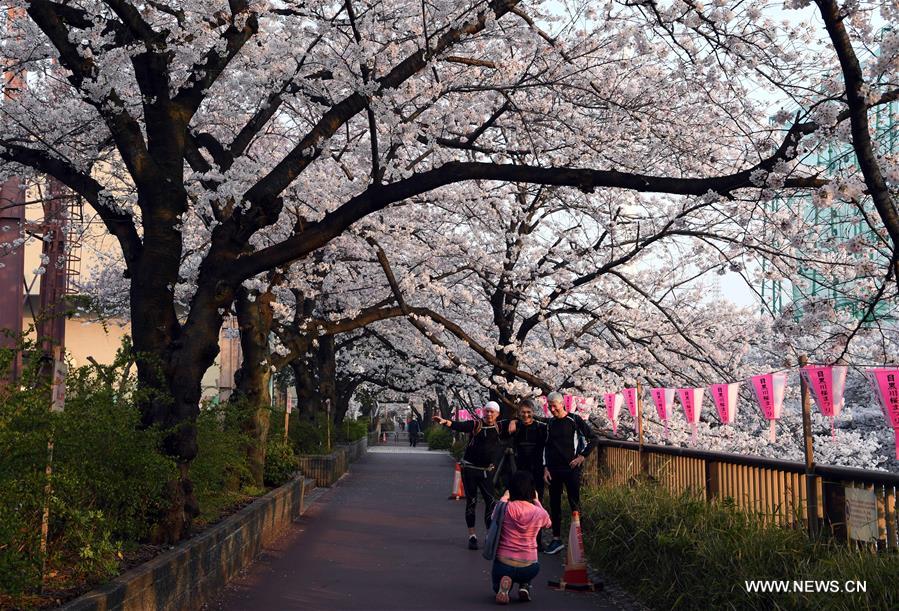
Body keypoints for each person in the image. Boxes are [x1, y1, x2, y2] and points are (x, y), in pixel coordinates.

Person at [433, 401, 509, 550]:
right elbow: (460, 426)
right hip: (470, 469)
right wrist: (445, 422)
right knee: (471, 502)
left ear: (498, 414)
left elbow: (518, 423)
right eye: (487, 411)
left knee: (491, 502)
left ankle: (489, 535)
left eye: (492, 412)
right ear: (483, 411)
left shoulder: (500, 427)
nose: (489, 414)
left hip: (486, 471)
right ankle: (472, 536)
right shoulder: (476, 425)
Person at [543, 391, 597, 555]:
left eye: (554, 405)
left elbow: (593, 438)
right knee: (554, 504)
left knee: (574, 502)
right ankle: (556, 539)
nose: (552, 409)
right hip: (553, 469)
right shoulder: (550, 423)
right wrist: (545, 467)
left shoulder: (574, 419)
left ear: (562, 404)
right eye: (549, 406)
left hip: (571, 468)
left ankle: (577, 539)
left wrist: (582, 456)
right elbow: (546, 446)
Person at [491, 471, 551, 604]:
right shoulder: (538, 513)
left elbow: (493, 516)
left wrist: (504, 498)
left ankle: (502, 588)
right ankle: (525, 586)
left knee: (497, 582)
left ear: (511, 489)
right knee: (528, 567)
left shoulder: (505, 508)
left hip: (504, 563)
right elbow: (548, 523)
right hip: (529, 566)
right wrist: (536, 501)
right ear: (531, 490)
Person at [508, 399, 547, 550]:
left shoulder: (540, 428)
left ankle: (538, 540)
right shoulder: (515, 427)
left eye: (529, 413)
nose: (526, 415)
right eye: (523, 413)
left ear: (533, 413)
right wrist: (513, 420)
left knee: (537, 505)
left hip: (537, 471)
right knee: (519, 506)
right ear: (519, 414)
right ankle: (520, 539)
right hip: (520, 473)